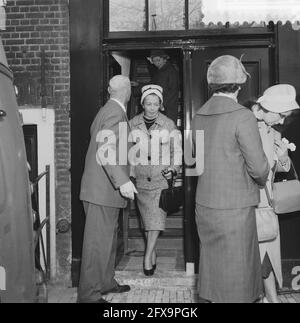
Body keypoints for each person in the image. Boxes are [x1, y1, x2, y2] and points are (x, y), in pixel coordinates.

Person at [191, 55, 270, 303]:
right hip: (235, 208)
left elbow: (195, 163)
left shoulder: (198, 116)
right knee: (238, 276)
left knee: (212, 272)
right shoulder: (242, 116)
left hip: (204, 205)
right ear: (238, 85)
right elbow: (258, 168)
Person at [78, 75, 138, 303]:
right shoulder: (115, 112)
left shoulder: (106, 110)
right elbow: (105, 149)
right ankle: (89, 296)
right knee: (96, 245)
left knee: (106, 241)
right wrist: (122, 180)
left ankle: (105, 282)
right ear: (127, 92)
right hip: (102, 190)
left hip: (103, 190)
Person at [251, 84, 300, 303]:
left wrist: (282, 159)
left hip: (267, 205)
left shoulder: (274, 131)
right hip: (246, 203)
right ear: (268, 107)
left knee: (268, 257)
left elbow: (279, 168)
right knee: (252, 259)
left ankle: (272, 298)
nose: (282, 122)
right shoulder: (244, 124)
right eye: (281, 115)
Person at [129, 84, 182, 276]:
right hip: (141, 181)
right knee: (147, 222)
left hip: (160, 180)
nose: (151, 107)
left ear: (161, 105)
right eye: (148, 103)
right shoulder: (132, 123)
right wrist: (131, 174)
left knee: (155, 221)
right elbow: (128, 152)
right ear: (142, 103)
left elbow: (177, 152)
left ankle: (147, 256)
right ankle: (152, 254)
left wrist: (173, 169)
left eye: (155, 104)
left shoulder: (168, 124)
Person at [148, 50, 180, 124]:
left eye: (158, 60)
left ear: (164, 59)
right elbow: (151, 85)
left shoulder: (171, 70)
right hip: (160, 106)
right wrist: (138, 85)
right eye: (154, 61)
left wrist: (163, 103)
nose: (156, 63)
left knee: (167, 129)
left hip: (168, 107)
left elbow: (173, 90)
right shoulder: (159, 72)